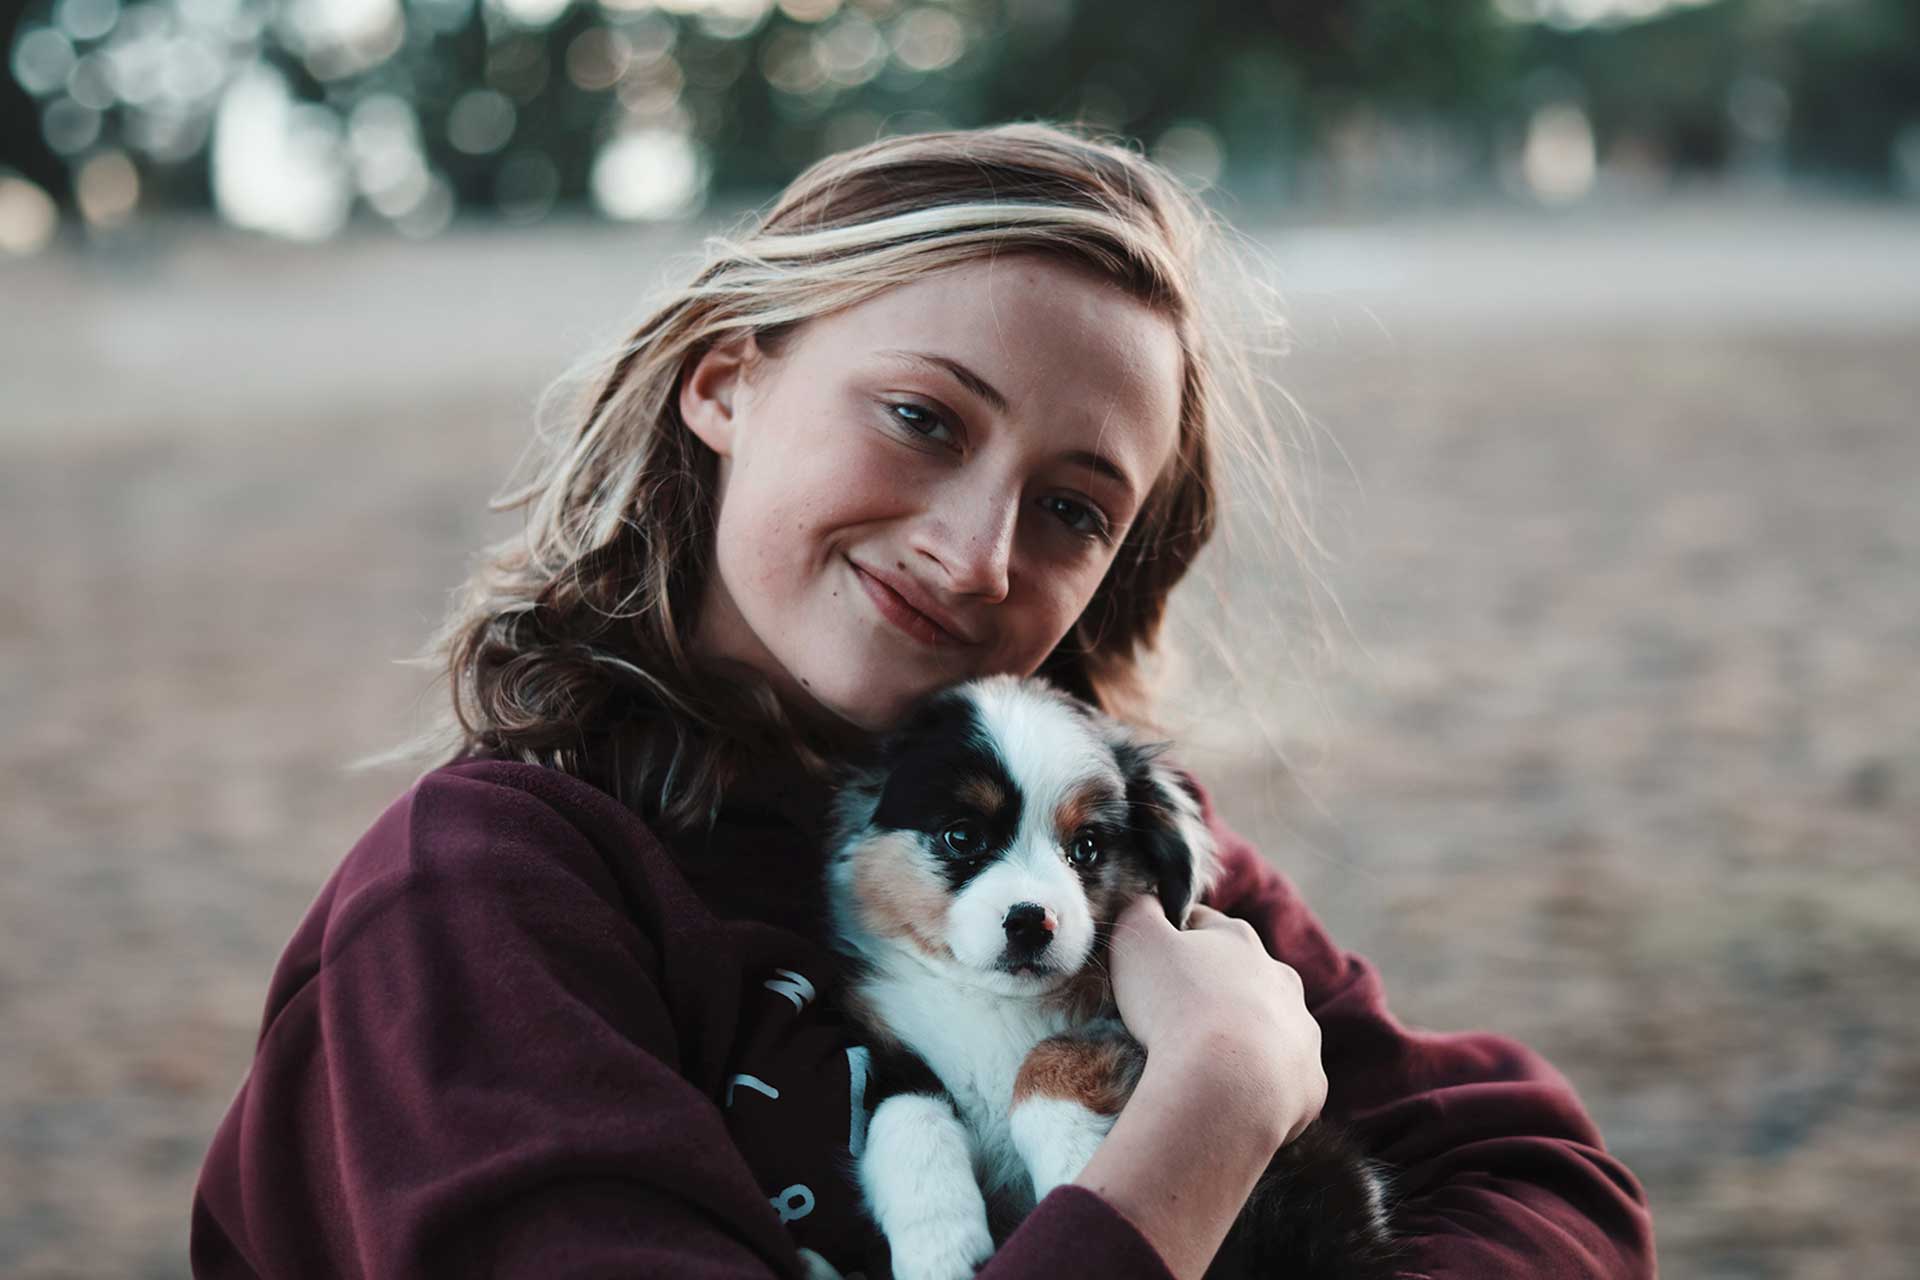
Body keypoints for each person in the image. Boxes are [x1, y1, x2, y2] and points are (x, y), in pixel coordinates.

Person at [191, 123, 1654, 1280]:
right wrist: (1208, 1121)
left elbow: (1544, 1179)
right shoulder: (486, 900)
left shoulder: (1117, 854)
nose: (974, 553)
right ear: (723, 382)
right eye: (921, 418)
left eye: (1075, 510)